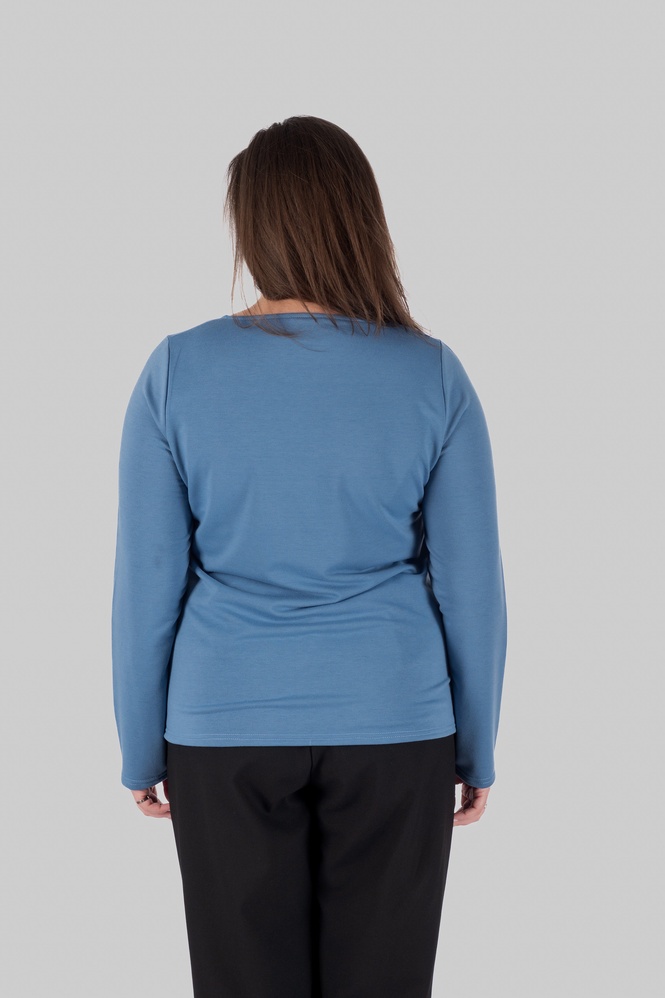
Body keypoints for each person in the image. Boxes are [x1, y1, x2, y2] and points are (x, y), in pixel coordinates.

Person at [111, 115, 508, 998]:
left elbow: (147, 585)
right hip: (396, 727)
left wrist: (140, 747)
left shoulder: (176, 371)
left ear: (251, 225)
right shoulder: (431, 374)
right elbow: (472, 589)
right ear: (359, 217)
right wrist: (476, 749)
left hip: (224, 731)